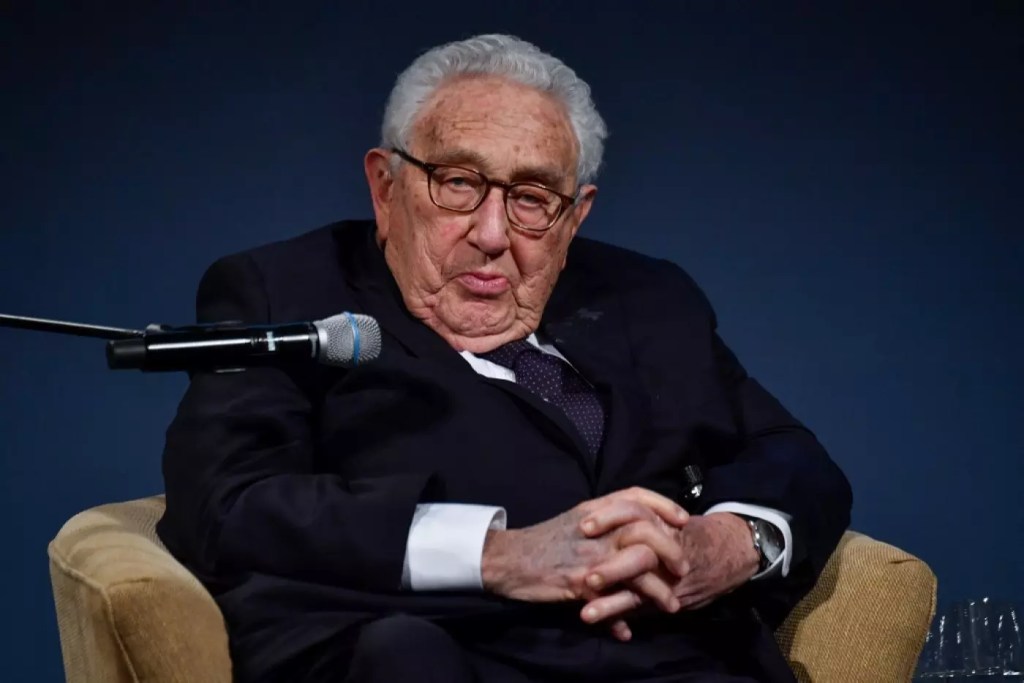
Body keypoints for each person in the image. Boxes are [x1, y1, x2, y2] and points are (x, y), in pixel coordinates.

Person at [157, 34, 852, 683]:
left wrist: (730, 542)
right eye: (458, 182)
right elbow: (226, 504)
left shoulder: (649, 297)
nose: (492, 234)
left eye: (531, 198)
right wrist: (499, 555)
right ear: (385, 187)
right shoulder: (286, 295)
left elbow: (791, 456)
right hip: (455, 654)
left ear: (575, 215)